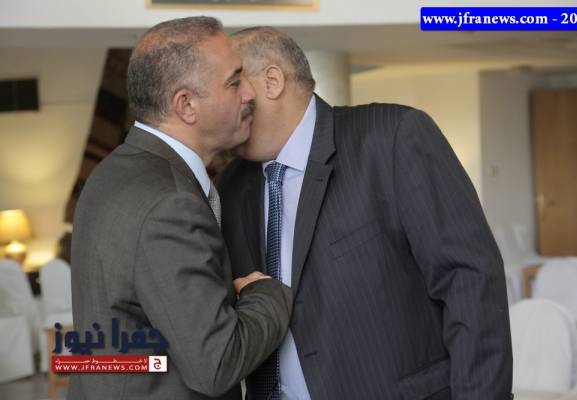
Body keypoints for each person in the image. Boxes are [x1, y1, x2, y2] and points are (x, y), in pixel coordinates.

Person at [219, 27, 513, 400]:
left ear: (272, 81)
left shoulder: (391, 138)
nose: (221, 104)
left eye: (231, 85)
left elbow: (470, 281)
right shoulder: (231, 184)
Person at [69, 17, 293, 400]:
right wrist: (268, 294)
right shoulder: (170, 203)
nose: (249, 93)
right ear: (186, 105)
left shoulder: (115, 168)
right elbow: (216, 364)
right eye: (234, 82)